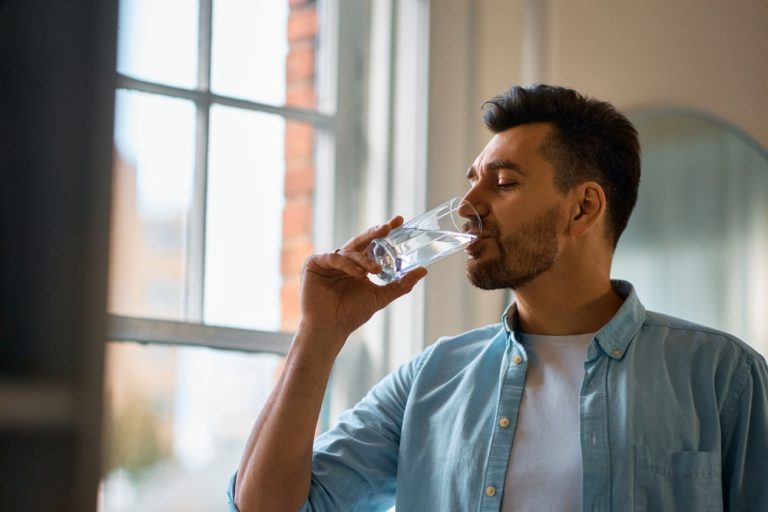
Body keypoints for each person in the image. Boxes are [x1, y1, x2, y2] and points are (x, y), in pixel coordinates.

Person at [228, 84, 768, 511]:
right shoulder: (430, 380)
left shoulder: (725, 377)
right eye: (471, 183)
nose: (467, 207)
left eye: (503, 182)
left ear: (582, 209)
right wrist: (320, 334)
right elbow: (265, 508)